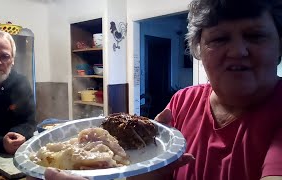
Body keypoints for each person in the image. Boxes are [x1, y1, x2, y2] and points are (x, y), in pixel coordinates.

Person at [34, 0, 282, 179]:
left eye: (255, 36)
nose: (238, 51)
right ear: (198, 49)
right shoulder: (183, 102)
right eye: (219, 39)